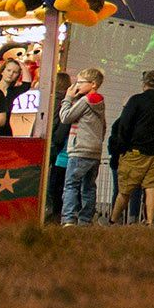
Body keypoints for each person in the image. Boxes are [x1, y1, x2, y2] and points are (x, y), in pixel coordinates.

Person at [107, 68, 154, 225]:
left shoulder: (136, 100)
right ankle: (150, 222)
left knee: (125, 189)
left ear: (144, 83)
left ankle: (113, 219)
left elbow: (124, 126)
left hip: (135, 152)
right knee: (152, 186)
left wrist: (122, 147)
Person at [58, 67, 108, 226]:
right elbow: (104, 127)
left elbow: (66, 117)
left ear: (93, 84)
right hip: (94, 151)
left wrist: (67, 98)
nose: (76, 86)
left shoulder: (86, 101)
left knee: (71, 185)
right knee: (89, 187)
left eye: (80, 82)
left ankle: (69, 219)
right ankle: (85, 220)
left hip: (79, 150)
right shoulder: (100, 102)